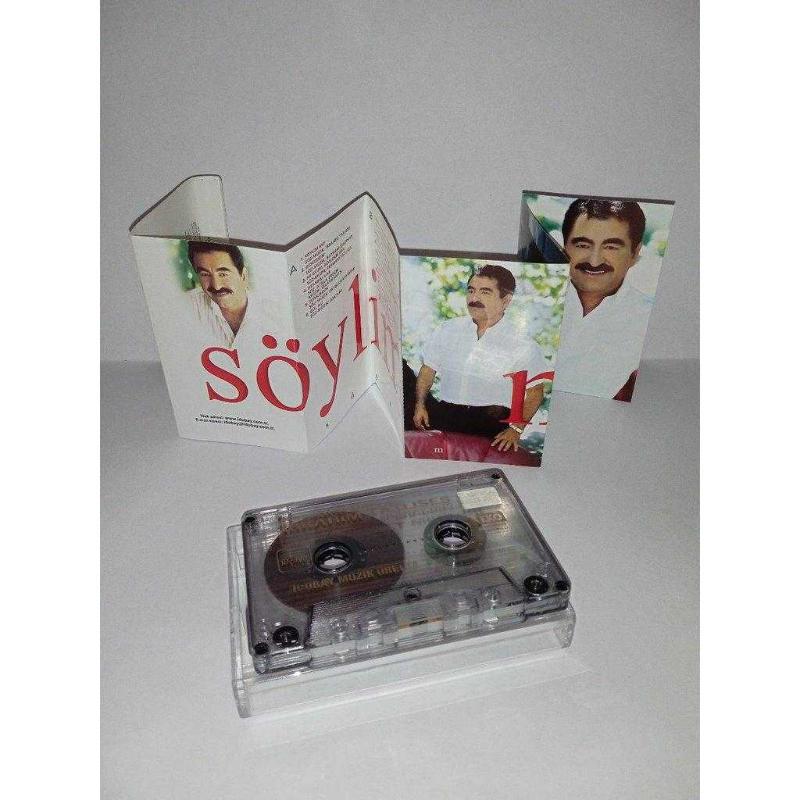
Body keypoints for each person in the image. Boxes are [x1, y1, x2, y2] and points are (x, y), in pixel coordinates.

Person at [406, 264, 550, 452]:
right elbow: (428, 370)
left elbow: (535, 392)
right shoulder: (448, 329)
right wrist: (420, 405)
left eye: (485, 292)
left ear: (506, 300)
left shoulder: (523, 344)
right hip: (446, 415)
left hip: (489, 422)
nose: (474, 299)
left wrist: (515, 429)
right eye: (471, 290)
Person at [556, 198, 652, 400]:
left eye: (611, 247)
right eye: (583, 245)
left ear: (635, 253)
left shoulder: (649, 321)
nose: (594, 261)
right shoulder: (533, 300)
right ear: (564, 247)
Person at [186, 240, 268, 348]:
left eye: (223, 274)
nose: (216, 286)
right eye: (205, 274)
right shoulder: (186, 305)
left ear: (243, 276)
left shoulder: (272, 311)